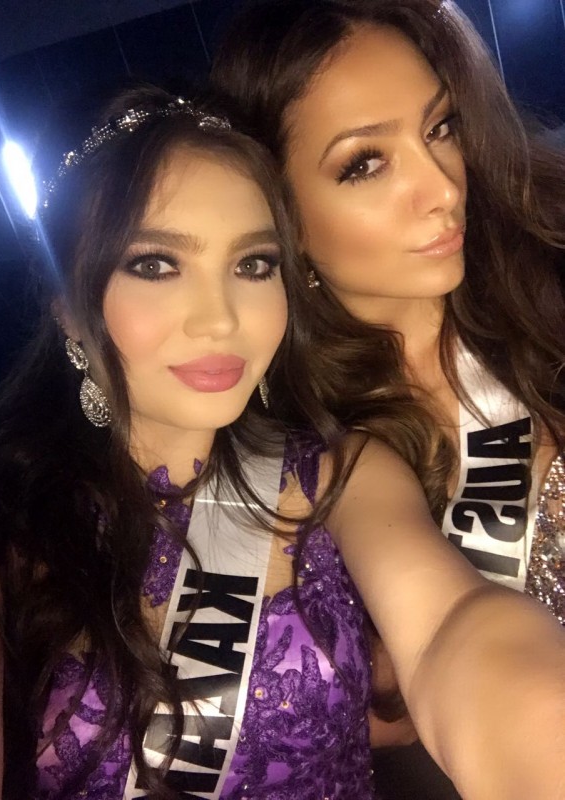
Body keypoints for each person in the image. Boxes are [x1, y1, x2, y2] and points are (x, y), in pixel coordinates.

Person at [0, 82, 564, 800]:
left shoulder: (343, 476)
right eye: (155, 264)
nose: (221, 319)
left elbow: (450, 627)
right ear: (67, 308)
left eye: (253, 264)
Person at [211, 0, 565, 794]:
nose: (442, 188)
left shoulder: (546, 279)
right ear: (281, 217)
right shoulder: (303, 457)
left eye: (440, 128)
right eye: (365, 164)